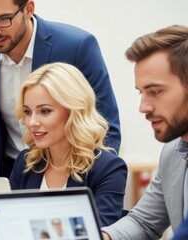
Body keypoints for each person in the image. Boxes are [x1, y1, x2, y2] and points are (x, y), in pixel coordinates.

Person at [0, 0, 121, 177]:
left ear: (28, 9)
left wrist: (96, 183)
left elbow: (106, 124)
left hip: (70, 173)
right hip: (10, 175)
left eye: (3, 19)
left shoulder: (77, 46)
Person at [10, 63, 127, 226]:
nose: (31, 122)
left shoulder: (108, 168)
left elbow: (99, 233)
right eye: (28, 112)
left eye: (44, 111)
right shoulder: (25, 162)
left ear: (73, 111)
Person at [101, 25, 188, 239]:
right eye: (141, 92)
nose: (143, 107)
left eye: (155, 92)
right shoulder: (173, 153)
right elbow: (143, 222)